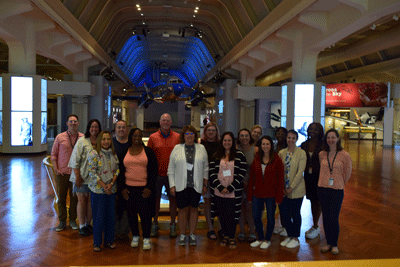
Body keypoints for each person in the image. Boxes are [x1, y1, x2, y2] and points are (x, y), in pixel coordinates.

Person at [168, 125, 208, 246]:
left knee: (194, 209)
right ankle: (182, 234)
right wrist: (172, 185)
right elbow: (171, 169)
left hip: (196, 185)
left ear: (195, 136)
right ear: (183, 136)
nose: (189, 136)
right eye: (187, 134)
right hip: (181, 185)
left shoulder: (201, 148)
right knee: (182, 210)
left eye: (191, 134)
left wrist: (205, 184)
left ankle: (191, 234)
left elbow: (206, 168)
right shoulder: (177, 148)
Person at [121, 128, 158, 250]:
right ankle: (135, 235)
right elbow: (120, 172)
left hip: (144, 190)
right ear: (131, 137)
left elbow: (153, 172)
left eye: (139, 136)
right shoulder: (124, 151)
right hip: (129, 190)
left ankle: (146, 237)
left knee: (145, 215)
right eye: (135, 136)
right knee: (131, 214)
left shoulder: (148, 152)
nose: (137, 138)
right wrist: (122, 189)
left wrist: (149, 188)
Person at [209, 132, 247, 249]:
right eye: (225, 140)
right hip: (218, 191)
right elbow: (212, 173)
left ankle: (231, 237)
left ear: (233, 142)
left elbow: (242, 173)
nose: (227, 143)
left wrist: (230, 188)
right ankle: (225, 235)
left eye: (229, 140)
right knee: (222, 214)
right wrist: (220, 187)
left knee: (233, 215)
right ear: (222, 142)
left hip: (233, 191)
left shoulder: (240, 155)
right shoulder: (216, 155)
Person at [319, 129, 352, 255]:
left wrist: (339, 182)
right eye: (328, 138)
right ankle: (328, 243)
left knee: (333, 218)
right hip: (322, 188)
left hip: (337, 190)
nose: (330, 140)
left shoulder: (345, 155)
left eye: (333, 137)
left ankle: (334, 244)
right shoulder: (322, 154)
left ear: (338, 139)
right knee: (326, 218)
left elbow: (347, 173)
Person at [248, 136, 284, 249]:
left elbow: (281, 180)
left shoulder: (277, 159)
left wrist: (279, 197)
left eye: (267, 144)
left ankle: (267, 239)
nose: (265, 146)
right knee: (256, 216)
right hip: (257, 193)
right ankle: (260, 238)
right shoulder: (256, 158)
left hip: (271, 194)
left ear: (271, 145)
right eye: (263, 144)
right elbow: (251, 178)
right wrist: (250, 194)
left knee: (270, 217)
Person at [147, 113, 180, 237]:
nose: (165, 122)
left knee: (173, 201)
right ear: (160, 122)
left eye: (168, 120)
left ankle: (172, 225)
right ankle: (154, 224)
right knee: (155, 202)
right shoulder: (152, 137)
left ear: (171, 122)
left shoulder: (178, 137)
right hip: (157, 175)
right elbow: (148, 156)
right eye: (163, 120)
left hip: (173, 175)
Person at [87, 131, 119, 252]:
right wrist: (104, 186)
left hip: (111, 190)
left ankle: (109, 240)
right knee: (98, 217)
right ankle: (97, 242)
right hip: (98, 191)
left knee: (110, 217)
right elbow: (92, 172)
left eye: (108, 139)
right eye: (103, 139)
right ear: (99, 141)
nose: (106, 142)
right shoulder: (94, 154)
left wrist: (110, 184)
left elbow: (117, 170)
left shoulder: (113, 154)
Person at [51, 114, 84, 232]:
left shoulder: (83, 138)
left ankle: (73, 220)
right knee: (61, 198)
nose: (73, 123)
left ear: (78, 123)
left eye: (75, 121)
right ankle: (62, 221)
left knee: (75, 198)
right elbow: (53, 155)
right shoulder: (60, 137)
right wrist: (55, 169)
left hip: (76, 174)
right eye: (71, 121)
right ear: (67, 123)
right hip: (62, 173)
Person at [69, 119, 101, 236]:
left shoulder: (100, 141)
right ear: (88, 128)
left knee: (90, 202)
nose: (94, 129)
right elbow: (74, 159)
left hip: (94, 178)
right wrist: (77, 176)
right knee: (82, 200)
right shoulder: (82, 141)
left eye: (96, 127)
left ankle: (88, 224)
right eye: (92, 127)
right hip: (81, 176)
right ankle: (81, 225)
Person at [278, 130, 306, 249]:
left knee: (295, 214)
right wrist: (283, 188)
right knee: (284, 214)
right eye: (289, 137)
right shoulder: (281, 153)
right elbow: (279, 171)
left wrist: (291, 188)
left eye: (293, 138)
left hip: (296, 190)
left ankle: (295, 238)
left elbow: (300, 173)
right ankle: (290, 236)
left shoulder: (301, 153)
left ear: (296, 139)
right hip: (283, 190)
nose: (290, 140)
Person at [300, 122, 324, 239]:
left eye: (315, 129)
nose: (312, 131)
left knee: (318, 201)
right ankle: (314, 225)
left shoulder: (324, 145)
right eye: (310, 129)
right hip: (308, 177)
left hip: (320, 176)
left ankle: (316, 225)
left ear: (320, 132)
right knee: (312, 200)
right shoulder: (304, 144)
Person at [200, 122, 221, 240]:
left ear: (216, 132)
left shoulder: (221, 144)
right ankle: (210, 228)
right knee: (207, 202)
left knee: (219, 202)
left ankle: (221, 228)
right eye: (209, 130)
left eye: (213, 130)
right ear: (205, 132)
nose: (211, 132)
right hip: (206, 178)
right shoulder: (201, 144)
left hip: (220, 178)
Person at [236, 128, 257, 243]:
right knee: (240, 209)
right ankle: (242, 231)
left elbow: (258, 169)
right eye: (242, 135)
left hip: (251, 184)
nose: (244, 138)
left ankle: (252, 232)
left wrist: (250, 183)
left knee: (249, 208)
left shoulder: (255, 150)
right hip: (239, 184)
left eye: (246, 135)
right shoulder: (235, 150)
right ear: (238, 137)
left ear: (250, 137)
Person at [112, 120, 130, 239]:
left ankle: (123, 231)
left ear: (127, 129)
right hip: (112, 180)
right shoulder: (111, 142)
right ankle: (113, 230)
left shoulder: (132, 143)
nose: (121, 129)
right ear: (115, 129)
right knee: (113, 205)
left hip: (128, 179)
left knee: (126, 205)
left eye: (123, 127)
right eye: (119, 127)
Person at [273, 126, 288, 236]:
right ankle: (276, 226)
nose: (280, 136)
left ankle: (285, 226)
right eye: (278, 133)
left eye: (283, 134)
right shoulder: (273, 146)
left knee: (284, 204)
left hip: (285, 180)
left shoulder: (289, 148)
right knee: (274, 204)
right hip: (273, 179)